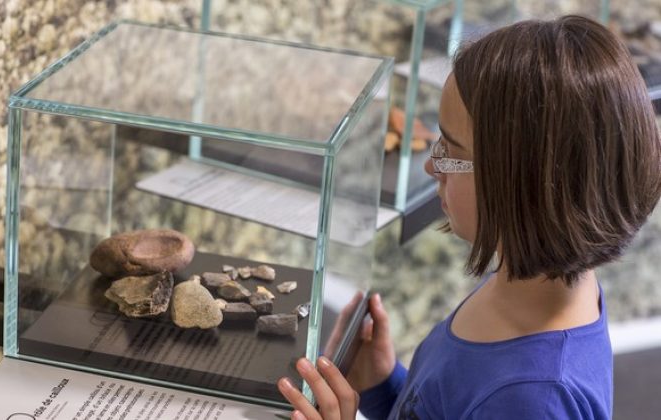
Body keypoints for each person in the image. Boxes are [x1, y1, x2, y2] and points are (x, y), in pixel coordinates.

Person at [276, 15, 661, 419]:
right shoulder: (527, 283)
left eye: (451, 151)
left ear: (521, 182)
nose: (432, 166)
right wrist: (383, 384)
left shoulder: (532, 400)